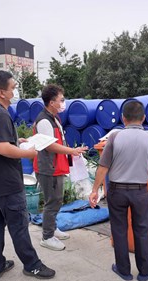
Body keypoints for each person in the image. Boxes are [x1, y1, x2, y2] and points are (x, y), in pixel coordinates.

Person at [0, 70, 55, 280]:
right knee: (18, 225)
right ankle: (32, 265)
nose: (15, 91)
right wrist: (29, 153)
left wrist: (16, 142)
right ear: (2, 92)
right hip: (5, 183)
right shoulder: (0, 114)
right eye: (13, 88)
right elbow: (1, 148)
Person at [89, 100, 148, 281]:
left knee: (119, 229)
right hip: (140, 192)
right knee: (141, 230)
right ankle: (145, 271)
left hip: (117, 191)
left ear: (123, 118)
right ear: (144, 118)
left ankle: (123, 270)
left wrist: (95, 190)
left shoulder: (115, 137)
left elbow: (103, 167)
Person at [33, 84, 88, 251]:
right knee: (52, 201)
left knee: (57, 200)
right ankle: (47, 237)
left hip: (57, 165)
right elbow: (50, 146)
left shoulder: (54, 118)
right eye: (61, 100)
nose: (63, 103)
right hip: (48, 168)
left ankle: (52, 228)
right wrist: (72, 150)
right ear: (51, 102)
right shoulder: (44, 121)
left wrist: (70, 153)